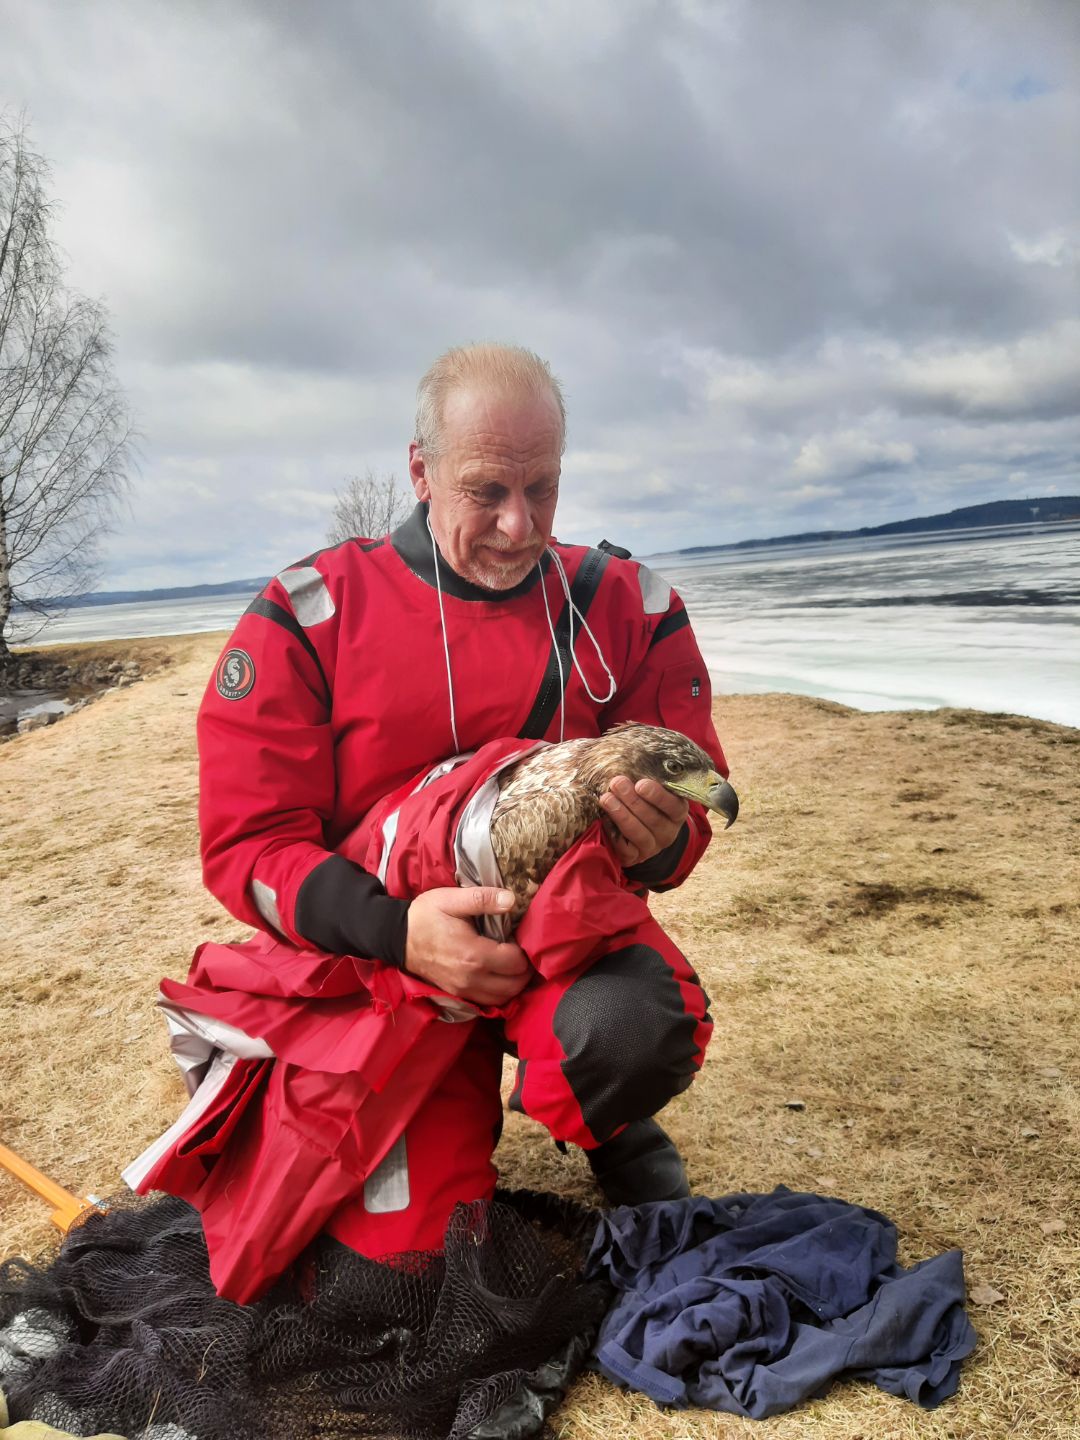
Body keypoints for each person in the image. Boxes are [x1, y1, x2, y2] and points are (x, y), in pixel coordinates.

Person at [197, 343, 729, 1210]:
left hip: (561, 939)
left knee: (634, 1031)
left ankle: (604, 1114)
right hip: (378, 954)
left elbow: (696, 800)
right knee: (405, 1253)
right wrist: (397, 930)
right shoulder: (305, 620)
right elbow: (248, 848)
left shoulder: (627, 607)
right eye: (486, 491)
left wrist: (663, 841)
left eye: (542, 489)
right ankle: (434, 1093)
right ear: (420, 471)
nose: (520, 526)